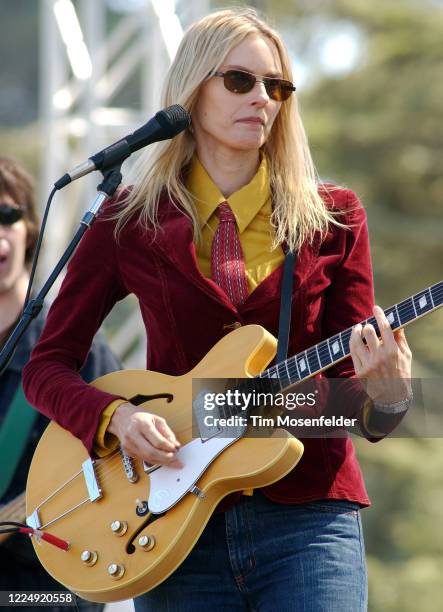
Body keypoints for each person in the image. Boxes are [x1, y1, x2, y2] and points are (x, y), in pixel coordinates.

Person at [23, 8, 413, 612]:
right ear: (191, 90)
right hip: (171, 524)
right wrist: (116, 418)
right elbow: (45, 366)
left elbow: (351, 404)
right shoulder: (126, 220)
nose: (262, 98)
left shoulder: (334, 216)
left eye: (277, 87)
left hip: (308, 519)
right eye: (240, 81)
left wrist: (387, 398)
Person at [0, 157, 122, 611]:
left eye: (7, 215)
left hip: (48, 589)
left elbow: (126, 463)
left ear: (29, 229)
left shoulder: (73, 348)